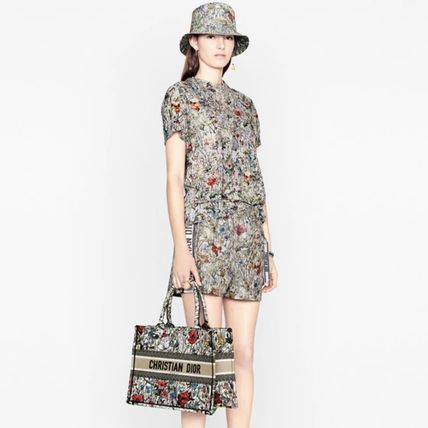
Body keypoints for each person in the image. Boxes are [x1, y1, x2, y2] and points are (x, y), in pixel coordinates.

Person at [161, 2, 278, 427]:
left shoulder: (245, 106)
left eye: (226, 37)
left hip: (247, 241)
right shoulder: (179, 97)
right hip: (203, 236)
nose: (220, 44)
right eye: (211, 35)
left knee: (242, 354)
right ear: (194, 42)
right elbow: (175, 178)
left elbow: (256, 180)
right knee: (202, 360)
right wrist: (181, 248)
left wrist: (268, 248)